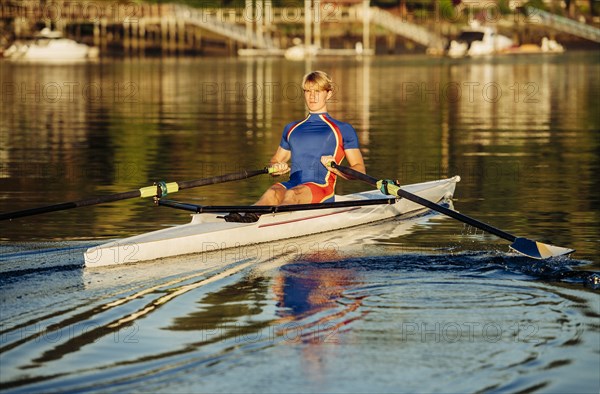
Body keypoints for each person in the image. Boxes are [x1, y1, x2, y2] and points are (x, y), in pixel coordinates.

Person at [225, 71, 365, 222]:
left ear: (328, 94)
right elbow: (275, 160)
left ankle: (271, 221)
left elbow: (359, 169)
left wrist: (335, 168)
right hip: (293, 186)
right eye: (308, 91)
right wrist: (276, 167)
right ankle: (247, 217)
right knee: (272, 192)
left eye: (317, 91)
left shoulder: (342, 129)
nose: (312, 96)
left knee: (292, 194)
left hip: (321, 189)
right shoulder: (291, 128)